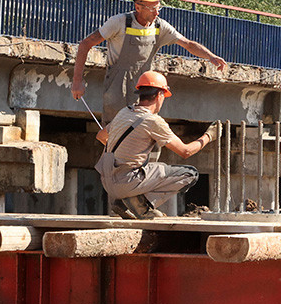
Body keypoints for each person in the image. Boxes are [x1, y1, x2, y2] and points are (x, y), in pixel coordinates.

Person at [71, 0, 226, 129]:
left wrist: (210, 56)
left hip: (145, 88)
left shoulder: (160, 27)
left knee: (144, 133)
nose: (157, 12)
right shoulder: (119, 22)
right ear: (138, 7)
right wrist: (77, 80)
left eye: (159, 7)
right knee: (114, 133)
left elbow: (187, 44)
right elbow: (85, 44)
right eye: (152, 8)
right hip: (117, 88)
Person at [94, 71, 220, 220]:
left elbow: (101, 136)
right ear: (160, 95)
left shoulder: (124, 112)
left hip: (107, 182)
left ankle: (125, 201)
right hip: (127, 182)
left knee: (149, 165)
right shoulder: (153, 121)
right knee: (190, 174)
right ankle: (140, 204)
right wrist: (209, 136)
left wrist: (125, 153)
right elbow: (185, 151)